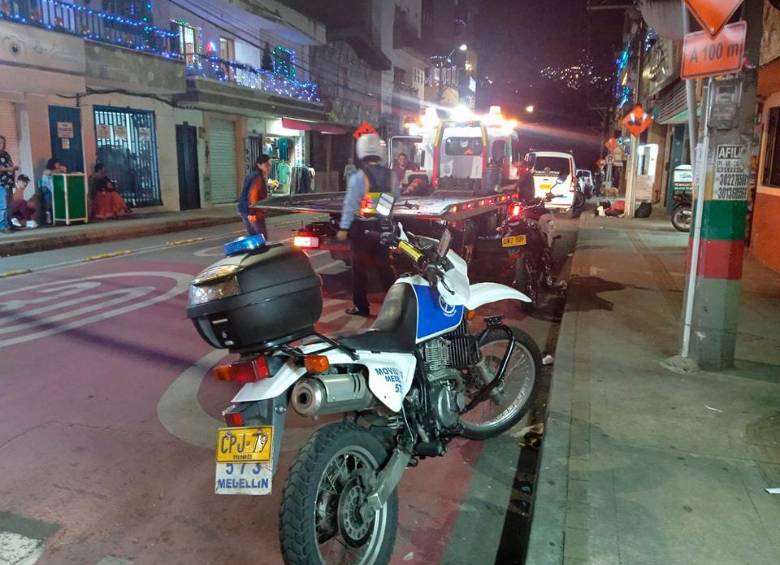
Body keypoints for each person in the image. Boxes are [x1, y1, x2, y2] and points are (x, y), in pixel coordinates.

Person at [337, 133, 399, 317]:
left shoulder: (358, 176)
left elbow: (350, 204)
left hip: (362, 230)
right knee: (385, 268)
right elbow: (396, 197)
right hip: (382, 228)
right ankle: (397, 305)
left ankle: (362, 307)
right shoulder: (391, 176)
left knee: (359, 271)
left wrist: (343, 228)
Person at [238, 154, 271, 238]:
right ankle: (259, 250)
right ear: (259, 165)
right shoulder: (258, 177)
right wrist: (252, 212)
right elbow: (252, 195)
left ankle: (254, 250)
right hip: (253, 211)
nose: (269, 167)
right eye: (266, 165)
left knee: (253, 237)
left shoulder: (251, 175)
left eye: (270, 165)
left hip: (244, 209)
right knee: (261, 237)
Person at [0, 135, 19, 232]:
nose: (2, 145)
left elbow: (10, 165)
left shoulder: (6, 154)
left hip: (9, 183)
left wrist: (14, 168)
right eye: (0, 143)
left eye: (3, 143)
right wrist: (9, 169)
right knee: (3, 206)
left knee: (9, 206)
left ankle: (9, 224)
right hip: (1, 184)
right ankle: (3, 226)